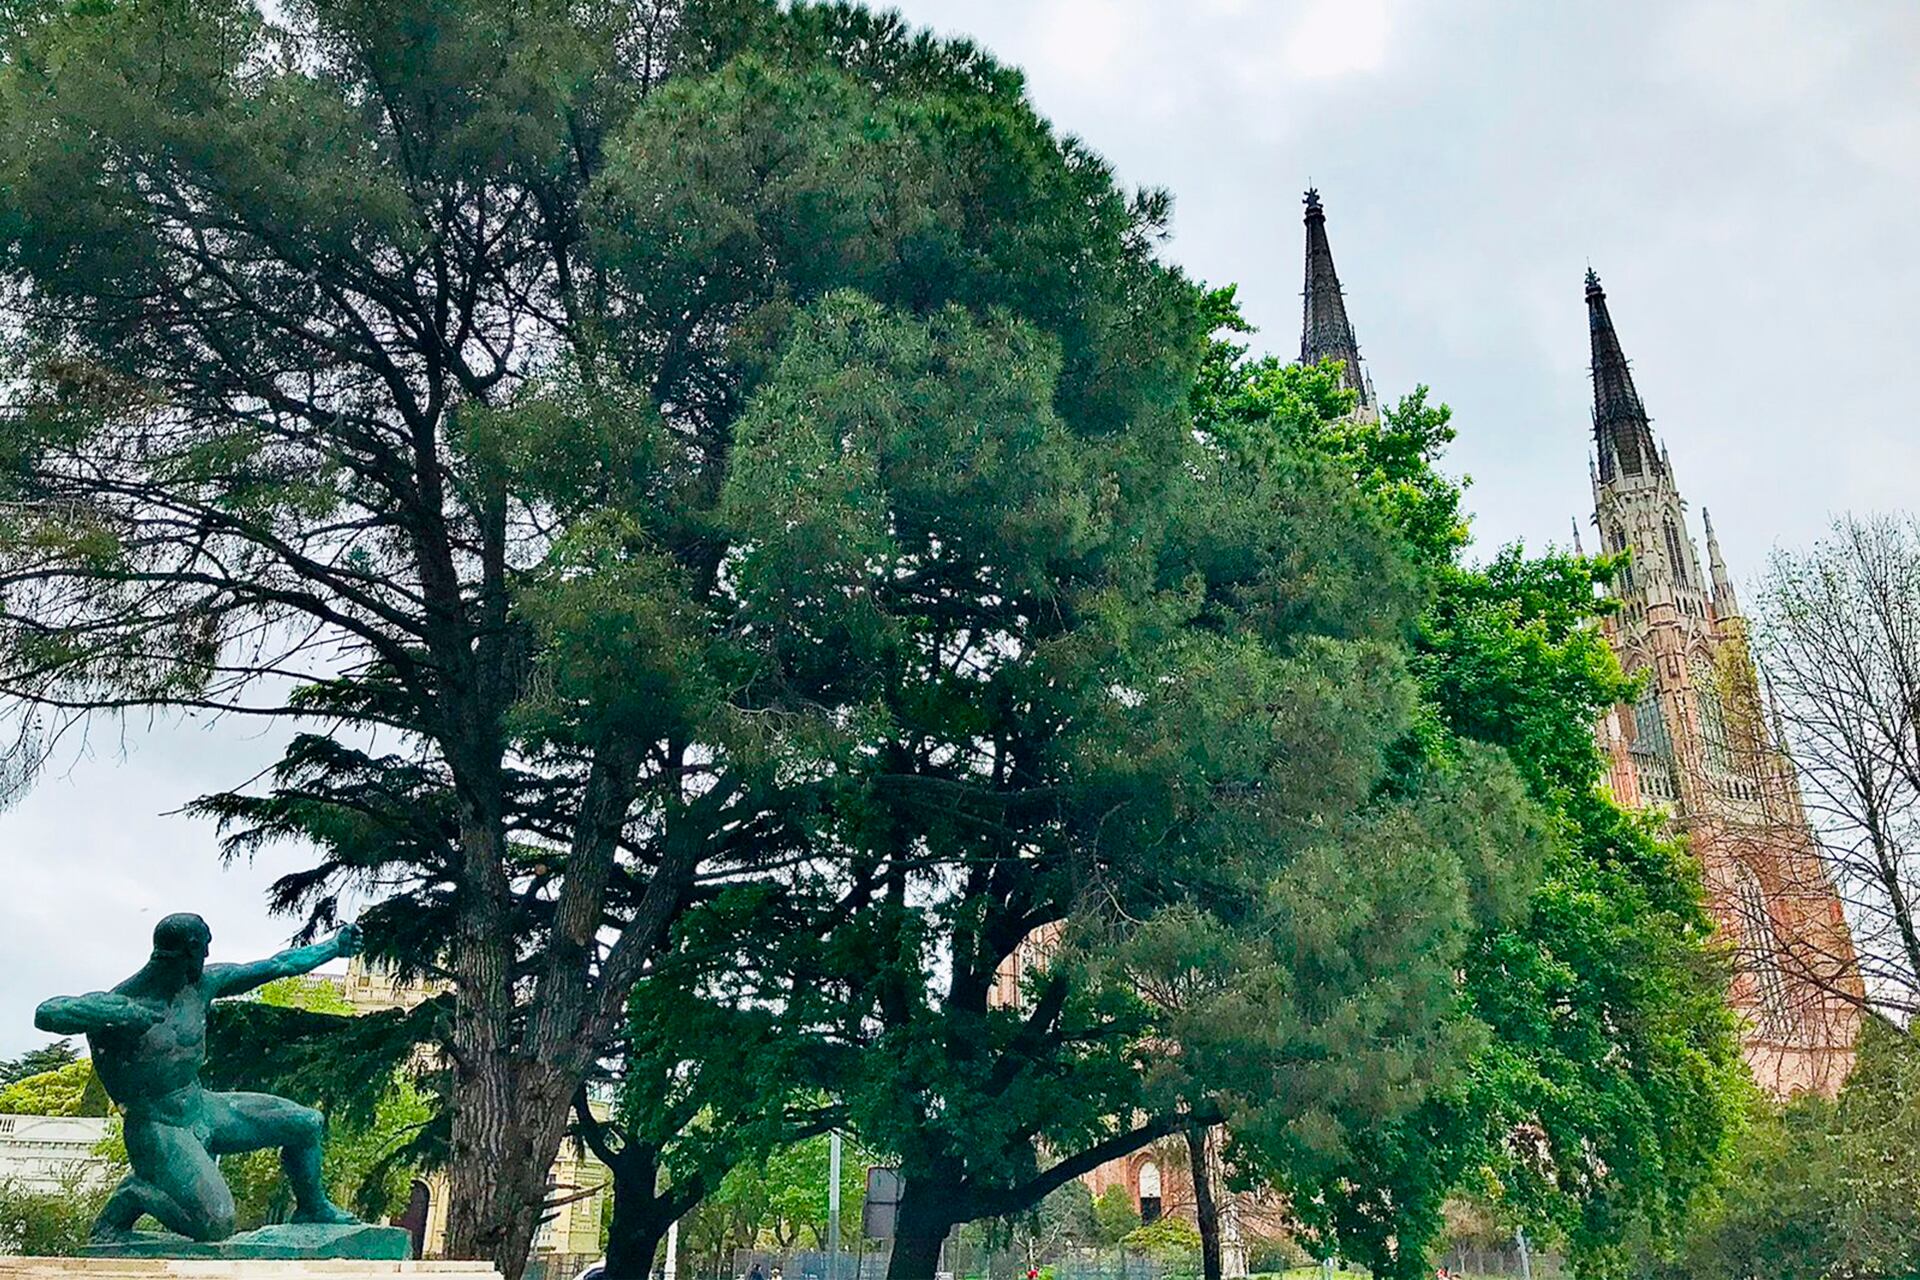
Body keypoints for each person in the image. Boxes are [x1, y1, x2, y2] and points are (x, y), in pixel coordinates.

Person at [35, 913, 364, 1243]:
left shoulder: (201, 986)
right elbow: (48, 1013)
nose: (208, 955)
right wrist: (120, 1014)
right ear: (190, 949)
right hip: (158, 1127)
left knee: (305, 1123)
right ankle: (134, 1193)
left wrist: (334, 947)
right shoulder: (120, 1003)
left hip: (203, 1108)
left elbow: (279, 964)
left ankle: (312, 1207)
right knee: (215, 1225)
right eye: (204, 947)